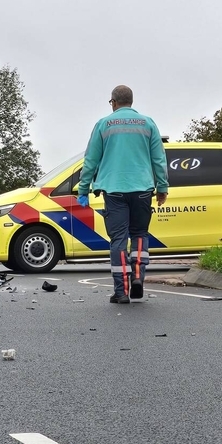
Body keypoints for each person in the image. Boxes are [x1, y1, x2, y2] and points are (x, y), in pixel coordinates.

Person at [78, 85, 169, 304]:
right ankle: (138, 277)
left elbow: (91, 159)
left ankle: (121, 291)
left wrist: (83, 189)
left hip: (114, 190)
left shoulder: (103, 125)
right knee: (139, 234)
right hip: (142, 190)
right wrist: (162, 187)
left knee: (118, 239)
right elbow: (159, 158)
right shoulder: (148, 124)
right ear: (131, 101)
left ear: (114, 102)